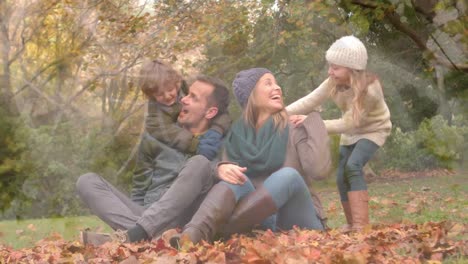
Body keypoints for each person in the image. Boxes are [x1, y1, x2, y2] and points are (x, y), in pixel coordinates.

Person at [169, 68, 332, 248]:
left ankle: (219, 232)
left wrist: (314, 122)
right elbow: (219, 183)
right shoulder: (236, 139)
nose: (277, 88)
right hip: (265, 225)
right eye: (268, 83)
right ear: (251, 96)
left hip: (302, 222)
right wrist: (219, 169)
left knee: (288, 176)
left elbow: (319, 170)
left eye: (276, 83)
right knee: (235, 177)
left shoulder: (294, 128)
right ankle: (192, 236)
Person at [76, 75, 230, 246]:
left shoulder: (224, 143)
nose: (183, 99)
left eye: (193, 97)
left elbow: (226, 190)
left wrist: (215, 169)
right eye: (187, 94)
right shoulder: (158, 137)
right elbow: (140, 185)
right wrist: (142, 215)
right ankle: (148, 236)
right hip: (148, 213)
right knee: (87, 181)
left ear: (210, 112)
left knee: (200, 162)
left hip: (183, 221)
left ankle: (138, 235)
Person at [287, 35, 392, 231]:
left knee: (353, 166)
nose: (330, 71)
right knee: (340, 175)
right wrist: (280, 113)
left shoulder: (370, 90)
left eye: (335, 67)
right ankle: (351, 223)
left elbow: (350, 122)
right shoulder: (332, 82)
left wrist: (313, 123)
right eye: (330, 66)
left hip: (374, 130)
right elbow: (310, 100)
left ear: (351, 69)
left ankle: (362, 225)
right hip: (351, 133)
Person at [139, 59, 230, 160]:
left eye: (170, 90)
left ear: (176, 83)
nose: (167, 96)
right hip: (185, 143)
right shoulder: (155, 118)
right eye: (160, 94)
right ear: (151, 96)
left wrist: (216, 131)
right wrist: (196, 146)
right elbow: (173, 136)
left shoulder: (183, 89)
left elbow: (218, 110)